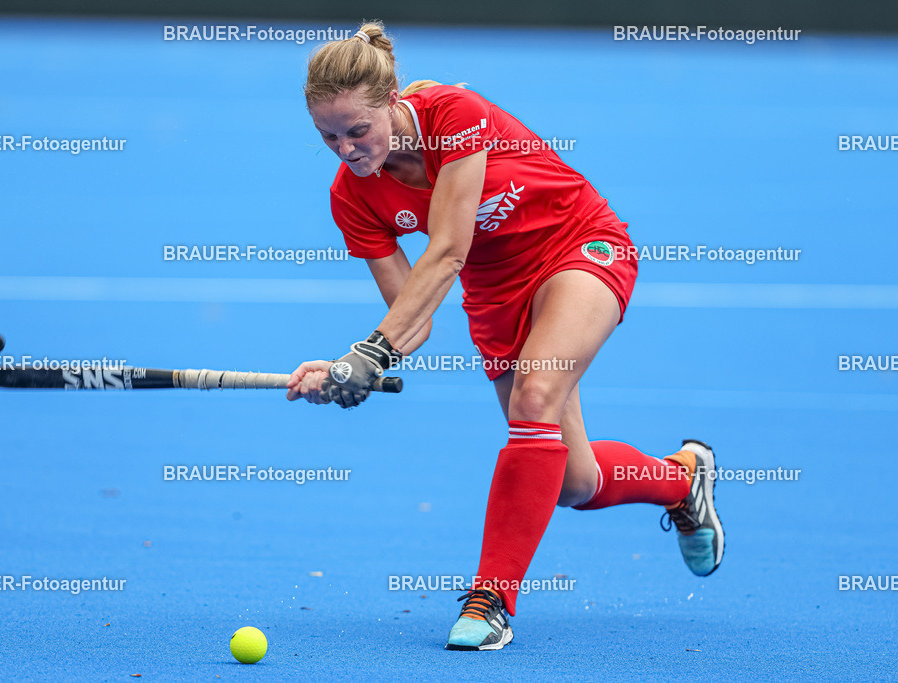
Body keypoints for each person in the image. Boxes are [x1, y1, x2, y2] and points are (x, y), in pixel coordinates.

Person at [286, 21, 724, 651]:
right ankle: (683, 482)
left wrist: (369, 352)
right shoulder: (352, 198)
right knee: (572, 482)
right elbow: (414, 315)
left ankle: (491, 600)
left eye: (359, 130)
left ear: (391, 103)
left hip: (578, 248)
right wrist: (344, 369)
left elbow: (448, 251)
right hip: (494, 298)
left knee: (534, 399)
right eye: (328, 137)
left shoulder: (452, 114)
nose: (348, 149)